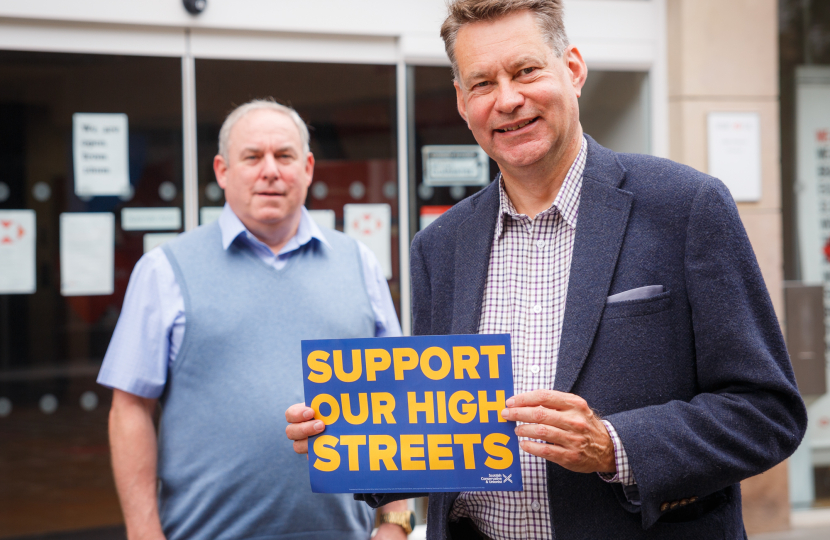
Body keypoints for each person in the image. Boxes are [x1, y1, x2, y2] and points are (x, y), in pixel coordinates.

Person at [286, 1, 808, 539]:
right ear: (464, 104)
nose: (508, 100)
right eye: (483, 83)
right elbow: (440, 431)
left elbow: (766, 412)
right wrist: (349, 436)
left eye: (526, 70)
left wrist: (615, 446)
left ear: (573, 70)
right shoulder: (438, 247)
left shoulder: (685, 206)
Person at [98, 99, 410, 540]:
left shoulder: (358, 262)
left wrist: (394, 521)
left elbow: (394, 399)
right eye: (252, 157)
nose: (270, 171)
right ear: (223, 171)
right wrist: (143, 531)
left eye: (284, 156)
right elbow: (129, 409)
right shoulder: (165, 269)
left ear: (307, 168)